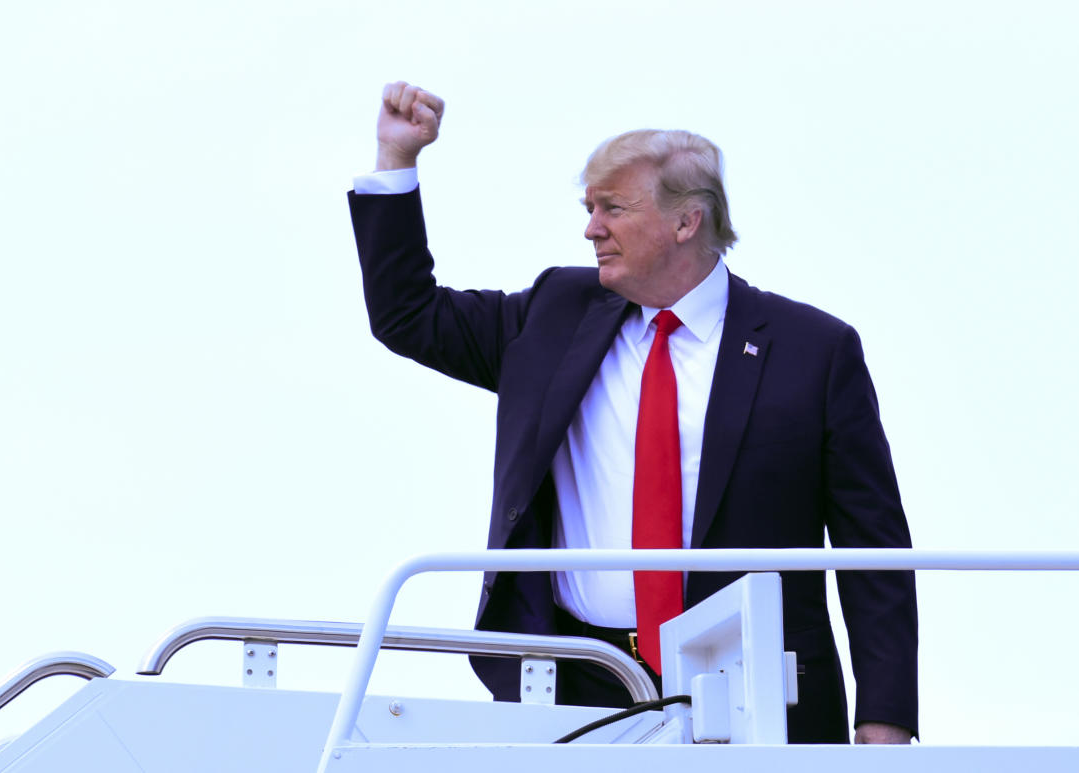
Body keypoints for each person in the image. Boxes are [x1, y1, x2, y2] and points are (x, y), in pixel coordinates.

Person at [348, 82, 917, 744]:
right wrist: (396, 159)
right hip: (575, 683)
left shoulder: (814, 351)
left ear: (686, 221)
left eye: (612, 208)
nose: (591, 227)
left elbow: (872, 548)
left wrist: (885, 718)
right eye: (590, 208)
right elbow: (409, 315)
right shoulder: (554, 312)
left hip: (756, 692)